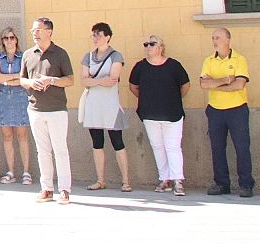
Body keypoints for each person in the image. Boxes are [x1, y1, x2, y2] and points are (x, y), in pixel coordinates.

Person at [21, 17, 75, 204]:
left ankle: (65, 189)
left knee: (60, 150)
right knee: (42, 150)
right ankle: (47, 189)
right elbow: (22, 80)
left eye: (38, 30)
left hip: (57, 109)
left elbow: (70, 79)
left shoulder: (60, 53)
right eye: (33, 30)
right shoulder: (28, 54)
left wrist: (51, 80)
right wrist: (32, 82)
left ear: (49, 31)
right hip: (35, 108)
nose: (34, 34)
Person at [129, 34, 190, 196]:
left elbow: (185, 85)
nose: (148, 47)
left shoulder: (174, 65)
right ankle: (165, 179)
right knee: (157, 146)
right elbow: (133, 87)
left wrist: (173, 99)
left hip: (172, 113)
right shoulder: (140, 67)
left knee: (173, 146)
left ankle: (178, 180)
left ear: (161, 47)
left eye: (152, 44)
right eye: (146, 44)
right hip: (150, 114)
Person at [199, 27, 254, 198]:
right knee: (217, 148)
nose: (214, 41)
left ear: (228, 40)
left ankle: (246, 184)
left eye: (218, 37)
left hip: (237, 109)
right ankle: (222, 183)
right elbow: (203, 84)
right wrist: (225, 80)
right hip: (215, 110)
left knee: (242, 148)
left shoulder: (239, 59)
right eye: (213, 38)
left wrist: (215, 85)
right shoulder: (209, 60)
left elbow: (239, 84)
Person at [79, 22, 131, 192]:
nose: (95, 38)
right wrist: (100, 80)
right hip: (93, 105)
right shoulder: (87, 56)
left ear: (107, 37)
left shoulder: (116, 56)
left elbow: (113, 79)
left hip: (110, 106)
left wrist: (93, 81)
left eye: (98, 35)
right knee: (97, 143)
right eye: (93, 35)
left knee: (118, 142)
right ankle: (100, 180)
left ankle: (126, 181)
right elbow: (83, 80)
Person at [0, 27, 32, 185]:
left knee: (22, 135)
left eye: (11, 37)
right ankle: (11, 171)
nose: (9, 40)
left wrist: (6, 79)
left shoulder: (23, 56)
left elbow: (24, 77)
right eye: (6, 38)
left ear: (16, 39)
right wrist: (13, 78)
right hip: (3, 99)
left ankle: (26, 172)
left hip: (20, 98)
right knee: (7, 136)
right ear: (2, 41)